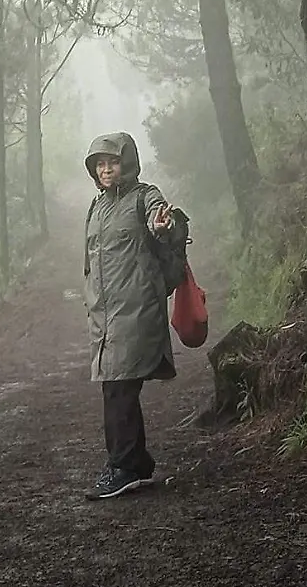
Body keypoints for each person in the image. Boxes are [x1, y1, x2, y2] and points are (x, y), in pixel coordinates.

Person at [81, 131, 176, 501]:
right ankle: (135, 465)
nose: (106, 170)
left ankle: (122, 468)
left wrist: (161, 225)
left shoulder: (143, 196)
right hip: (105, 318)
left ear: (129, 163)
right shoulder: (97, 206)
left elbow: (162, 219)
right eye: (100, 164)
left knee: (118, 388)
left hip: (136, 310)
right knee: (116, 388)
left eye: (113, 162)